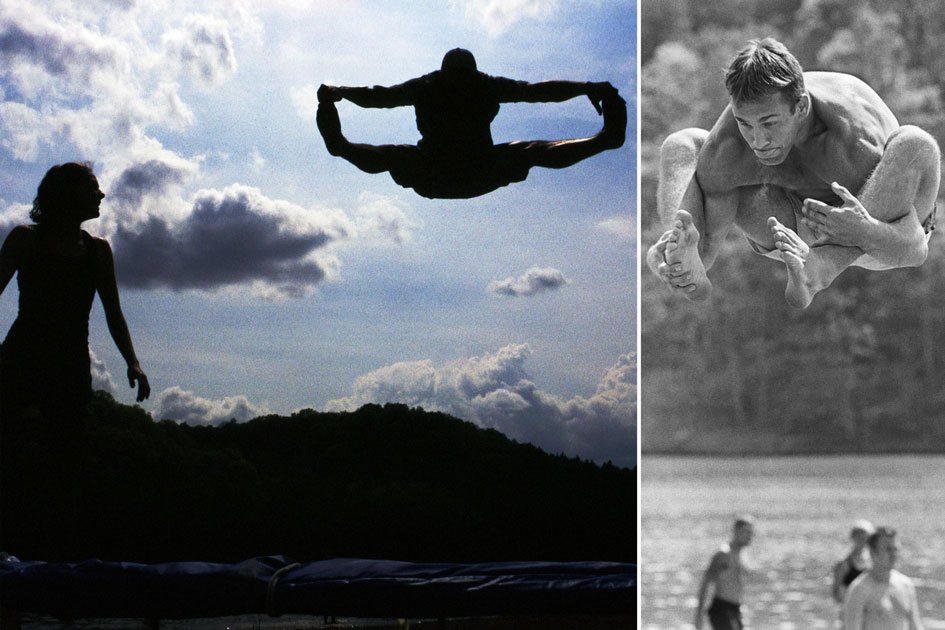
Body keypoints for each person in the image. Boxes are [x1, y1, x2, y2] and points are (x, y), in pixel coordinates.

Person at [647, 37, 941, 309]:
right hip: (793, 238)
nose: (758, 141)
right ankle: (677, 245)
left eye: (769, 123)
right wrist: (693, 261)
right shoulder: (730, 144)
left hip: (878, 229)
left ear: (801, 107)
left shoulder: (853, 143)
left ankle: (826, 265)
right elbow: (713, 232)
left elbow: (913, 250)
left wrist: (863, 229)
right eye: (745, 123)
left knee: (915, 143)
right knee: (683, 144)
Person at [316, 47, 626, 200]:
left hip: (455, 170)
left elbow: (537, 92)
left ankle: (604, 139)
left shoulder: (468, 84)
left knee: (528, 149)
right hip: (456, 170)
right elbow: (379, 97)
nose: (460, 85)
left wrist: (586, 86)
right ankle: (341, 147)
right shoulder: (446, 85)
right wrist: (339, 93)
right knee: (395, 154)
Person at [0, 162, 150, 420]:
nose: (101, 194)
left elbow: (114, 313)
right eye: (92, 187)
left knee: (67, 452)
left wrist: (132, 362)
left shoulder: (99, 251)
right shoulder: (25, 240)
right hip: (20, 362)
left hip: (71, 370)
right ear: (67, 193)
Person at [844, 527, 923, 630]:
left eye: (896, 549)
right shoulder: (859, 590)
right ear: (873, 553)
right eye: (888, 549)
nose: (894, 554)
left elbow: (916, 626)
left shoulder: (906, 585)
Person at [694, 516, 754, 630]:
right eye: (747, 532)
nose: (750, 536)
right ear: (736, 531)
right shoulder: (724, 555)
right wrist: (699, 615)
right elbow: (706, 583)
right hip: (721, 608)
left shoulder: (742, 554)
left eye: (751, 533)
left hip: (735, 609)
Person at [833, 520, 875, 605]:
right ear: (853, 538)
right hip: (849, 607)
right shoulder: (844, 562)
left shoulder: (873, 561)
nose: (863, 541)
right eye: (860, 538)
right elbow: (836, 592)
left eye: (866, 539)